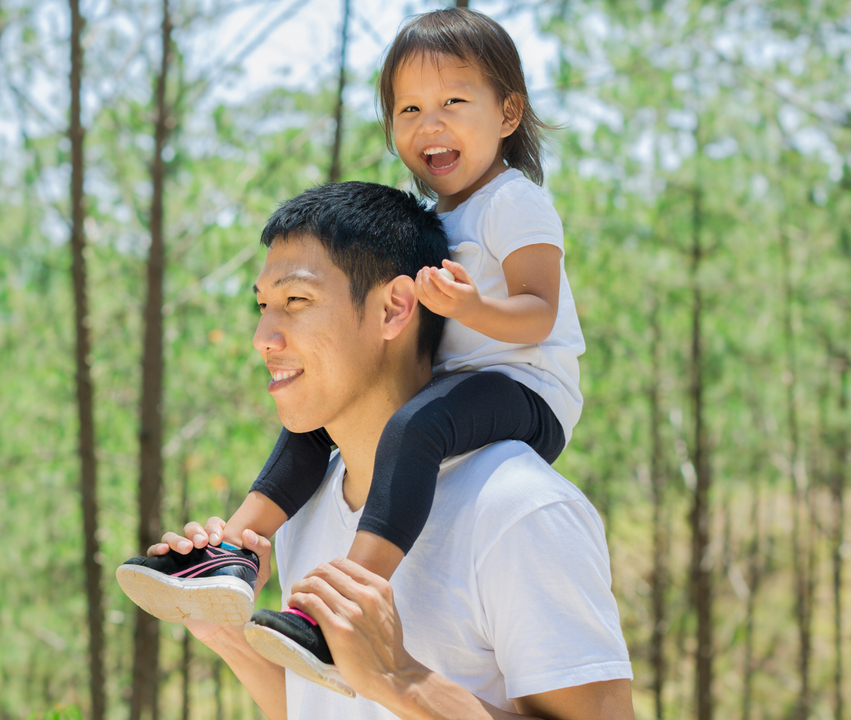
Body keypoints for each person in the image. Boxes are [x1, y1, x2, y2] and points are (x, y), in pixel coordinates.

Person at [146, 181, 642, 720]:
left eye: (296, 302)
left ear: (393, 310)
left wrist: (403, 680)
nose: (265, 338)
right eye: (262, 307)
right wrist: (228, 633)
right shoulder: (307, 510)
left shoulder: (517, 509)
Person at [117, 7, 585, 684]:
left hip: (525, 391)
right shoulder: (433, 220)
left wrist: (473, 306)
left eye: (454, 102)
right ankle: (232, 551)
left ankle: (345, 607)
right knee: (318, 421)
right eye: (409, 109)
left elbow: (539, 314)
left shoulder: (515, 201)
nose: (431, 125)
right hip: (451, 384)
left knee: (417, 425)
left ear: (509, 113)